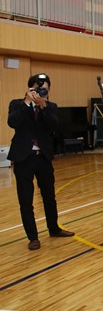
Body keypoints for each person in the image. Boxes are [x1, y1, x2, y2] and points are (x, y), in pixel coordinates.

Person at [8, 73, 74, 250]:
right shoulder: (17, 104)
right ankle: (33, 237)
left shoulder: (50, 107)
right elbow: (12, 122)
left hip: (43, 158)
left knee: (49, 196)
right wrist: (27, 102)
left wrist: (43, 106)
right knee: (25, 199)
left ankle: (54, 229)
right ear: (30, 89)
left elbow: (54, 125)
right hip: (23, 158)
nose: (41, 92)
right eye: (38, 89)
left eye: (45, 89)